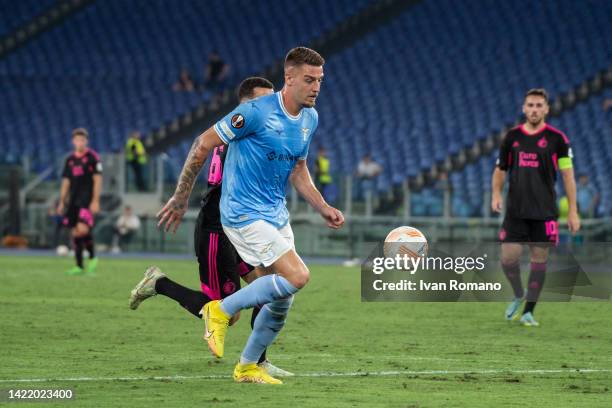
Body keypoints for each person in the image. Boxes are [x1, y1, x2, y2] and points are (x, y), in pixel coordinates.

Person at [155, 47, 344, 384]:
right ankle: (219, 309)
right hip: (242, 213)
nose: (316, 87)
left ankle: (247, 367)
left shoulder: (309, 119)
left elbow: (299, 169)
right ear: (288, 78)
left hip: (275, 214)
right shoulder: (254, 112)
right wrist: (181, 197)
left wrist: (322, 206)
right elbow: (202, 143)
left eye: (320, 81)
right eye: (309, 80)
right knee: (298, 276)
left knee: (283, 297)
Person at [128, 77, 293, 378]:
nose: (271, 107)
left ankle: (257, 360)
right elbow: (201, 150)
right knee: (226, 313)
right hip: (218, 229)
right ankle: (159, 283)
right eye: (263, 101)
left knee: (269, 287)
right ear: (245, 104)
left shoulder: (244, 131)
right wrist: (180, 197)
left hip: (242, 227)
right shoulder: (238, 132)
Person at [491, 88, 580, 327]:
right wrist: (496, 193)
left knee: (539, 260)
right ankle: (518, 293)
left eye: (539, 105)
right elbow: (500, 169)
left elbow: (568, 176)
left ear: (546, 109)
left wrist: (572, 210)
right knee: (508, 259)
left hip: (544, 211)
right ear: (523, 108)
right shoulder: (512, 138)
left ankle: (529, 311)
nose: (534, 109)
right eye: (530, 105)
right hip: (516, 210)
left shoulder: (557, 139)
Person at [57, 128, 103, 275]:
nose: (80, 142)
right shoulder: (70, 160)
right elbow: (65, 182)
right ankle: (79, 265)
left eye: (82, 140)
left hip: (87, 199)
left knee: (82, 228)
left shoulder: (93, 157)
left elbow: (97, 180)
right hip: (73, 200)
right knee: (75, 232)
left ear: (86, 141)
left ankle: (92, 257)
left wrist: (95, 200)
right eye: (77, 140)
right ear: (73, 141)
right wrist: (62, 201)